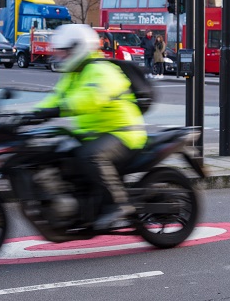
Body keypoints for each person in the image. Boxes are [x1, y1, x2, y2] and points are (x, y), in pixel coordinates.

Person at [35, 24, 147, 230]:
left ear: (78, 48)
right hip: (93, 134)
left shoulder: (101, 70)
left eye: (64, 52)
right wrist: (31, 114)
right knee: (58, 154)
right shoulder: (73, 74)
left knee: (90, 156)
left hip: (122, 132)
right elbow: (56, 97)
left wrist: (60, 109)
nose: (60, 56)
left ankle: (118, 204)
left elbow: (92, 98)